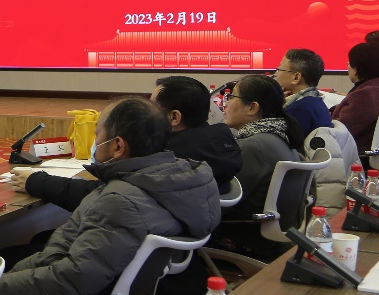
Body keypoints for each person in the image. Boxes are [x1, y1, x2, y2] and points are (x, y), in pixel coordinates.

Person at [0, 97, 219, 295]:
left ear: (117, 146)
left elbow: (71, 281)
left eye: (97, 133)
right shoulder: (179, 178)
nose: (94, 141)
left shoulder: (121, 201)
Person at [13, 76, 241, 209]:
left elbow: (106, 196)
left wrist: (37, 182)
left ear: (173, 117)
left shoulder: (171, 160)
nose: (146, 111)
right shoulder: (216, 143)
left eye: (153, 106)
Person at [212, 74, 304, 260]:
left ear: (252, 107)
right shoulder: (278, 137)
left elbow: (222, 202)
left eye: (231, 97)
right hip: (271, 238)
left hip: (246, 238)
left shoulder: (254, 146)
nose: (225, 104)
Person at [332, 42, 379, 159]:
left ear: (355, 69)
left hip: (356, 159)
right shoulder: (375, 90)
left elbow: (339, 134)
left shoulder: (364, 96)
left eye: (349, 64)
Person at [277, 49, 333, 136]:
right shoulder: (314, 102)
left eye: (279, 69)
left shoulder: (297, 111)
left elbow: (276, 142)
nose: (276, 74)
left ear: (296, 78)